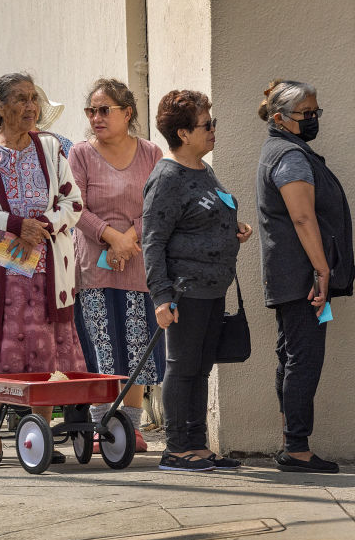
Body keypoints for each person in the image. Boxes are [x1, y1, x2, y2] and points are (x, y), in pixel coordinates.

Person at [0, 72, 84, 462]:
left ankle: (39, 434)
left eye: (33, 99)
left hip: (45, 273)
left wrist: (41, 225)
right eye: (20, 99)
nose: (30, 107)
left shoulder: (51, 149)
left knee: (44, 352)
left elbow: (72, 203)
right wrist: (13, 225)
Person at [142, 89, 252, 472]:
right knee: (183, 366)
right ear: (184, 134)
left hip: (212, 287)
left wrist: (232, 227)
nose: (213, 130)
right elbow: (153, 239)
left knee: (201, 368)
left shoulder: (203, 169)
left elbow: (207, 210)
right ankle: (176, 449)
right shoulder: (167, 176)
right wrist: (160, 295)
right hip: (184, 290)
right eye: (207, 125)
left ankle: (198, 445)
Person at [256, 80, 352, 474]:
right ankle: (296, 448)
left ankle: (291, 441)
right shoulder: (290, 156)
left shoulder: (286, 150)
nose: (313, 119)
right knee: (303, 358)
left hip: (294, 274)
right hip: (302, 276)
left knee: (293, 356)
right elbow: (301, 216)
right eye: (306, 114)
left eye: (316, 112)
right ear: (280, 118)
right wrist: (322, 269)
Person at [68, 78, 164, 453]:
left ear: (128, 112)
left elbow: (157, 204)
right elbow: (74, 206)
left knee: (138, 345)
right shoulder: (80, 153)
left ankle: (132, 427)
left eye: (104, 109)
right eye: (91, 111)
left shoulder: (151, 153)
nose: (96, 117)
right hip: (94, 264)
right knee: (101, 344)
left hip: (138, 262)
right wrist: (112, 237)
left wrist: (130, 239)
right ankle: (100, 425)